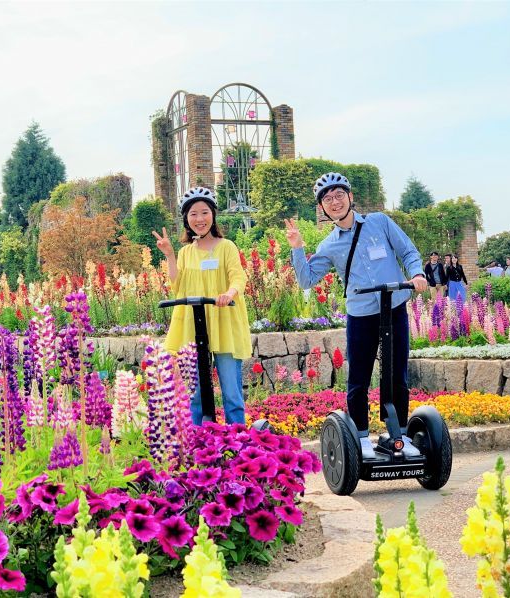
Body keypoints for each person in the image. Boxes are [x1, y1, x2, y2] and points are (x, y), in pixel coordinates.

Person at [284, 172, 428, 460]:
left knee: (397, 374)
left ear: (350, 197)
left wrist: (417, 273)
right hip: (361, 315)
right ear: (323, 208)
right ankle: (361, 437)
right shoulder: (329, 245)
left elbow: (408, 251)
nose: (335, 202)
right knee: (359, 379)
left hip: (395, 307)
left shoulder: (379, 222)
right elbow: (307, 280)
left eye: (339, 195)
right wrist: (298, 248)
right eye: (327, 199)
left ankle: (398, 433)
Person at [153, 186, 252, 425]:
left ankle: (236, 441)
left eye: (204, 212)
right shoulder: (186, 252)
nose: (200, 219)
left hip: (224, 321)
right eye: (193, 214)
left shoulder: (226, 246)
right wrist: (169, 255)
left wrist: (229, 293)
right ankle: (196, 443)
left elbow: (238, 276)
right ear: (186, 219)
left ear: (213, 215)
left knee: (232, 393)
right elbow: (178, 285)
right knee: (196, 394)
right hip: (196, 326)